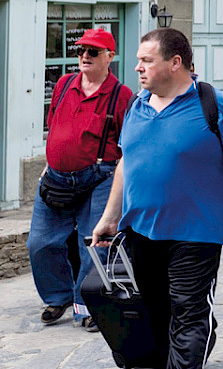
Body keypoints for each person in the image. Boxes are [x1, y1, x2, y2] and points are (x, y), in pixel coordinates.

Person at [91, 28, 223, 368]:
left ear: (175, 63)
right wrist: (110, 216)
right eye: (139, 60)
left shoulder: (216, 107)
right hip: (142, 230)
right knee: (156, 312)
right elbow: (126, 163)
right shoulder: (136, 105)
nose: (138, 67)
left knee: (188, 314)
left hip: (197, 233)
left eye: (147, 60)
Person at [29, 28, 133, 332]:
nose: (84, 56)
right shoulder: (64, 84)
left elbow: (127, 144)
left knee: (93, 243)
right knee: (40, 242)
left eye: (93, 52)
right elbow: (55, 125)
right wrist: (51, 160)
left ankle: (88, 306)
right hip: (56, 177)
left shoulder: (121, 95)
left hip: (99, 178)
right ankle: (58, 296)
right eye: (81, 51)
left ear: (109, 56)